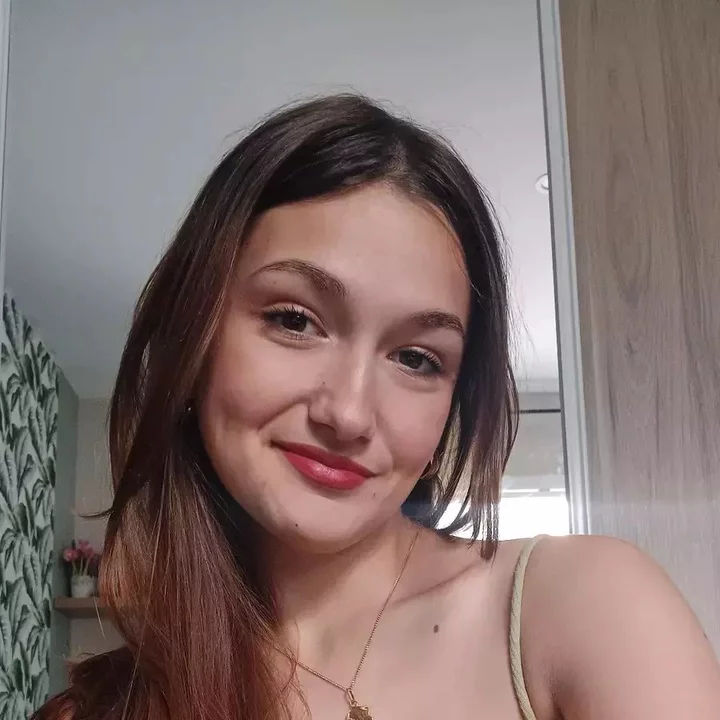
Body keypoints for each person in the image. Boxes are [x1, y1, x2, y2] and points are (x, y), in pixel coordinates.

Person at [36, 94, 720, 720]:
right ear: (197, 331)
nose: (349, 414)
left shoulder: (585, 610)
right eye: (295, 320)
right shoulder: (98, 710)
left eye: (417, 358)